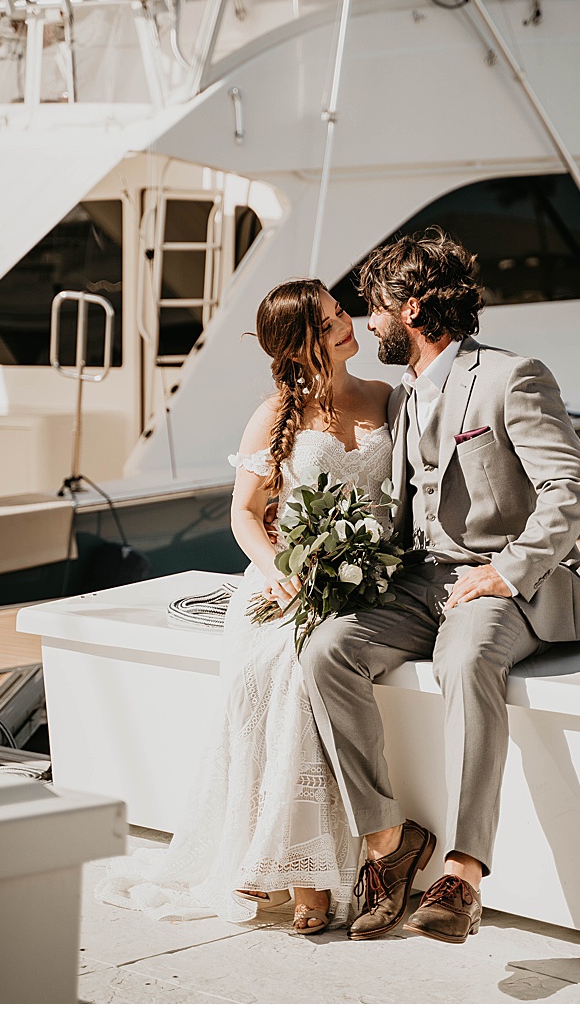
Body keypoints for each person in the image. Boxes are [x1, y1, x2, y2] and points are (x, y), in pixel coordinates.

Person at [299, 228, 580, 944]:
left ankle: (462, 874)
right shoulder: (405, 396)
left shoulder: (511, 375)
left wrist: (510, 569)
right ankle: (389, 838)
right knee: (325, 652)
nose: (367, 323)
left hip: (504, 584)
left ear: (410, 310)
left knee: (464, 660)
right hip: (418, 582)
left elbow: (572, 484)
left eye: (373, 308)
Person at [99, 279, 391, 934]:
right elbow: (244, 515)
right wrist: (281, 572)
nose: (345, 325)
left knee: (309, 672)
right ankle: (299, 872)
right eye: (326, 322)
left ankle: (304, 868)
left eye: (341, 312)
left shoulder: (384, 397)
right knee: (275, 674)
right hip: (280, 580)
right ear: (299, 344)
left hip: (364, 580)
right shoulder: (275, 411)